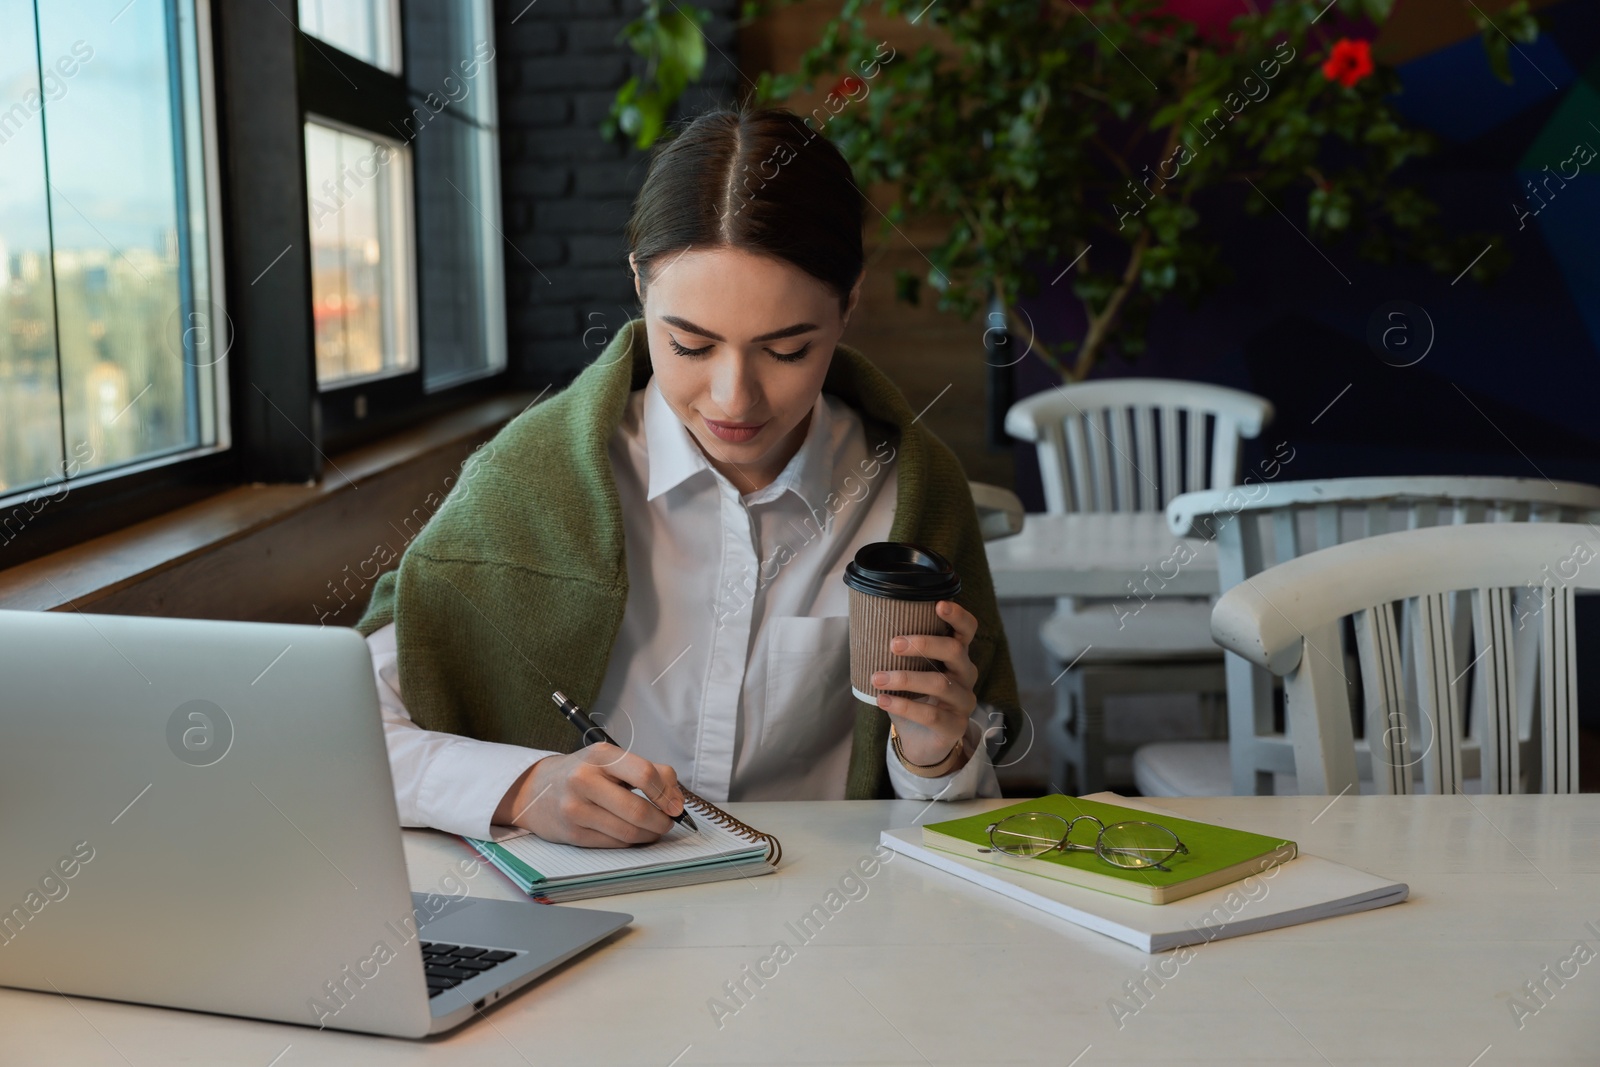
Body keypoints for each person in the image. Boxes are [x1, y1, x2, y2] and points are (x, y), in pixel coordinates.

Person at [355, 104, 1021, 848]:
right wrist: (524, 786)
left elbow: (970, 822)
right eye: (691, 345)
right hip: (594, 917)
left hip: (835, 925)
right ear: (640, 286)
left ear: (850, 303)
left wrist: (936, 752)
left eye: (788, 350)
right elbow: (345, 730)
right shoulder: (531, 477)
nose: (735, 399)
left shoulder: (914, 495)